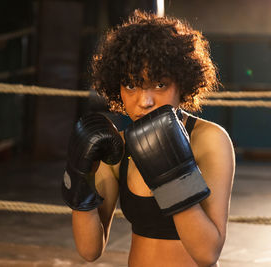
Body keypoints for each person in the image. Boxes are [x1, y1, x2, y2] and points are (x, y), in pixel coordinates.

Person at [61, 10, 235, 267]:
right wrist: (79, 180)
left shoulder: (209, 140)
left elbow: (207, 253)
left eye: (160, 85)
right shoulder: (115, 148)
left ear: (182, 83)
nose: (145, 101)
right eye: (131, 86)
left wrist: (172, 174)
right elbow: (90, 250)